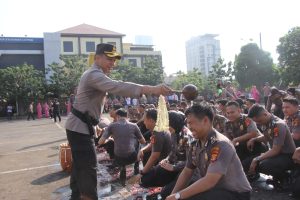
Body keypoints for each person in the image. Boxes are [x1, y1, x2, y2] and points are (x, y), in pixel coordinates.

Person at [64, 43, 173, 200]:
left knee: (80, 168)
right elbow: (118, 86)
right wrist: (153, 89)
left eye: (114, 60)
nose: (113, 63)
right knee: (88, 170)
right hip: (79, 128)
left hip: (80, 127)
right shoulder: (93, 75)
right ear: (97, 58)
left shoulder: (96, 74)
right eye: (109, 59)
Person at [165, 104, 251, 200]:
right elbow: (187, 172)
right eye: (187, 123)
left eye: (191, 123)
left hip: (235, 194)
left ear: (205, 120)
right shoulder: (195, 144)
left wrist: (178, 196)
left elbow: (210, 180)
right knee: (169, 192)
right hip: (216, 190)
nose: (189, 127)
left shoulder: (220, 144)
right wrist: (173, 195)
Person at [247, 104, 296, 189]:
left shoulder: (278, 125)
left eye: (259, 121)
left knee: (263, 165)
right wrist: (254, 139)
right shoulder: (266, 122)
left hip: (288, 156)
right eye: (257, 122)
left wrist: (257, 159)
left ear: (265, 114)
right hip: (278, 154)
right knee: (248, 162)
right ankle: (277, 177)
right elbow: (267, 136)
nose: (259, 124)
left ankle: (286, 178)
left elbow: (276, 150)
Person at [140, 111, 190, 189]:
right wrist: (166, 159)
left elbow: (192, 161)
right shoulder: (174, 132)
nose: (165, 127)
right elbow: (173, 151)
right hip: (172, 163)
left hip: (183, 169)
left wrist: (174, 167)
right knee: (146, 179)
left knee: (165, 192)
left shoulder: (186, 136)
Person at [98, 108, 146, 186]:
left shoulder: (112, 126)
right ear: (127, 116)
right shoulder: (134, 125)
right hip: (132, 157)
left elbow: (100, 142)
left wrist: (111, 139)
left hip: (119, 157)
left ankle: (122, 173)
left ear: (117, 116)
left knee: (115, 144)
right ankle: (136, 167)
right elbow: (143, 141)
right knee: (137, 142)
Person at [224, 101, 266, 174]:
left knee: (243, 165)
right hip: (242, 148)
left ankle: (254, 174)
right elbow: (229, 139)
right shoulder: (227, 124)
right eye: (228, 113)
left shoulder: (247, 119)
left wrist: (236, 139)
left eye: (232, 112)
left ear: (239, 110)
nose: (230, 115)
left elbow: (253, 133)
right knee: (231, 162)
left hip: (256, 147)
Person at [137, 109, 172, 178]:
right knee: (145, 152)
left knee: (144, 180)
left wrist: (142, 173)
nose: (144, 122)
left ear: (151, 121)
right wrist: (142, 150)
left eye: (145, 120)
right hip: (164, 161)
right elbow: (152, 144)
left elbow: (154, 156)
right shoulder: (159, 129)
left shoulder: (158, 133)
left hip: (166, 166)